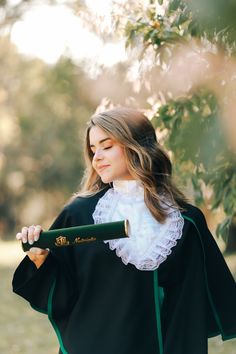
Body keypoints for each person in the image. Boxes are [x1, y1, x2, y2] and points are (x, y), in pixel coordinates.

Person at [12, 107, 236, 354]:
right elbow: (63, 293)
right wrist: (40, 258)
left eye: (106, 146)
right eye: (92, 149)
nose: (96, 157)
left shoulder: (185, 221)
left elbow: (192, 302)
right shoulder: (79, 215)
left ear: (136, 146)